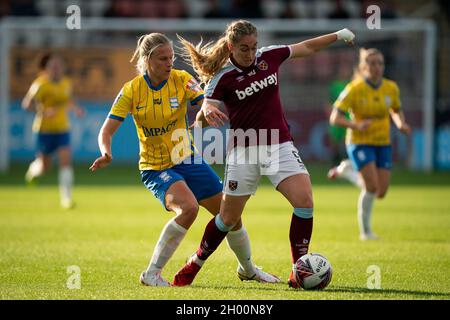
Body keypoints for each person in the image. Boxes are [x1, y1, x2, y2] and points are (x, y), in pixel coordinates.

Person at [174, 20, 355, 287]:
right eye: (244, 49)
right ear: (230, 47)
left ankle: (299, 269)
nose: (250, 53)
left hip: (279, 144)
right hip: (244, 150)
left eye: (253, 47)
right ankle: (195, 262)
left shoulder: (269, 56)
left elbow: (306, 47)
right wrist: (205, 113)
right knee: (228, 219)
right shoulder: (221, 77)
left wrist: (338, 35)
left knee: (304, 202)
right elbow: (203, 113)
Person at [89, 33, 280, 287]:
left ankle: (248, 270)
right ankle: (152, 274)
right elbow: (106, 130)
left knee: (230, 215)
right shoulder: (132, 90)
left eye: (171, 57)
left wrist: (207, 110)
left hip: (187, 158)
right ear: (147, 60)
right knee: (188, 208)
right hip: (156, 167)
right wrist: (106, 152)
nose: (169, 63)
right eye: (163, 59)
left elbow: (203, 102)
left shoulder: (182, 79)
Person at [328, 48, 411, 240]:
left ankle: (347, 171)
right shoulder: (354, 89)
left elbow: (396, 110)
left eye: (380, 63)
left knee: (380, 192)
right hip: (360, 142)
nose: (377, 67)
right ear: (364, 67)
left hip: (383, 142)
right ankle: (365, 232)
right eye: (372, 63)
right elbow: (335, 118)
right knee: (371, 187)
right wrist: (355, 124)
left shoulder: (391, 88)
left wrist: (400, 124)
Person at [22, 53, 84, 209]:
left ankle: (66, 199)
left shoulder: (66, 83)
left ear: (63, 68)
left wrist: (76, 109)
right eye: (53, 66)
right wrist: (42, 111)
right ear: (47, 69)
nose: (56, 69)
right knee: (44, 167)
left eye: (59, 66)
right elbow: (27, 104)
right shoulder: (40, 84)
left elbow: (67, 100)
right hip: (44, 130)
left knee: (65, 161)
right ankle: (33, 171)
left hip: (62, 128)